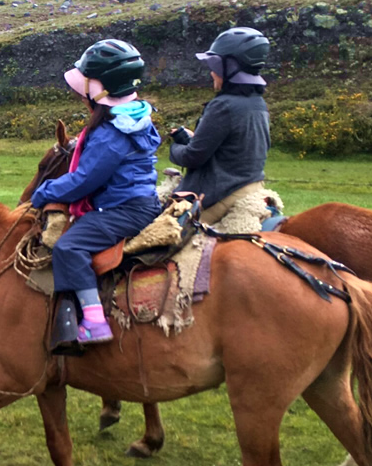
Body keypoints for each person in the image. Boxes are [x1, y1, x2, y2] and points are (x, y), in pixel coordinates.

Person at [30, 39, 162, 354]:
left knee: (69, 247)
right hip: (135, 201)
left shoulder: (112, 133)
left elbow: (84, 181)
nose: (81, 95)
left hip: (123, 208)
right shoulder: (132, 118)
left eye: (84, 88)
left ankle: (94, 321)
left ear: (101, 90)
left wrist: (44, 192)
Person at [169, 27, 271, 225]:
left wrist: (175, 148)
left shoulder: (223, 105)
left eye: (215, 65)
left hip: (225, 193)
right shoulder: (257, 102)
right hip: (252, 186)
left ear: (230, 67)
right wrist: (193, 139)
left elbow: (193, 157)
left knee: (159, 236)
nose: (212, 73)